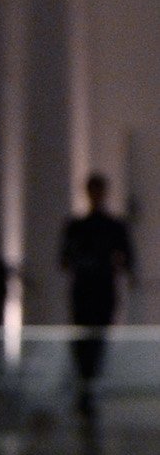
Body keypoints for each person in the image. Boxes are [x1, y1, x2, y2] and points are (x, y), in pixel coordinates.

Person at [60, 170, 136, 422]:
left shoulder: (112, 226)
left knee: (96, 340)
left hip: (101, 291)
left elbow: (127, 258)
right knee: (84, 341)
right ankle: (86, 389)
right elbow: (65, 259)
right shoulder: (78, 226)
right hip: (86, 291)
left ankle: (88, 389)